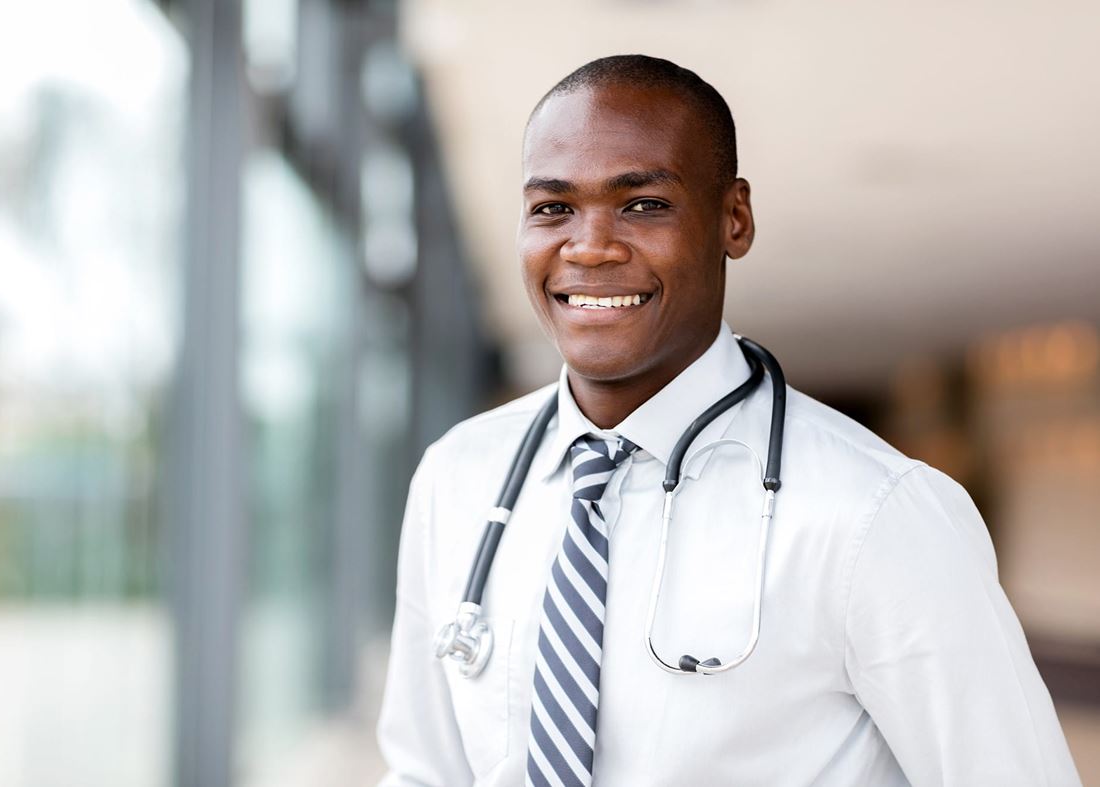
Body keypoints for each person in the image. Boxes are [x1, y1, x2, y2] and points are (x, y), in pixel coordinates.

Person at [376, 55, 1080, 786]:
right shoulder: (459, 476)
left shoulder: (877, 514)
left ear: (733, 219)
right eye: (553, 208)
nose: (588, 245)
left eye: (643, 204)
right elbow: (425, 770)